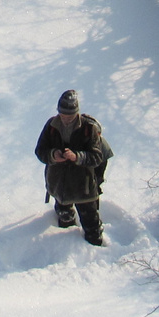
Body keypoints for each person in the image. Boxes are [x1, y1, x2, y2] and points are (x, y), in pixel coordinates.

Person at [34, 89, 112, 246]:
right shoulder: (51, 125)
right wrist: (53, 155)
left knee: (92, 227)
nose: (66, 119)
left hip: (84, 187)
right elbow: (40, 151)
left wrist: (77, 157)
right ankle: (67, 251)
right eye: (63, 115)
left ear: (77, 112)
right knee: (64, 222)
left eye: (70, 116)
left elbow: (97, 157)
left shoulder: (89, 128)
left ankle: (96, 255)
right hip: (60, 185)